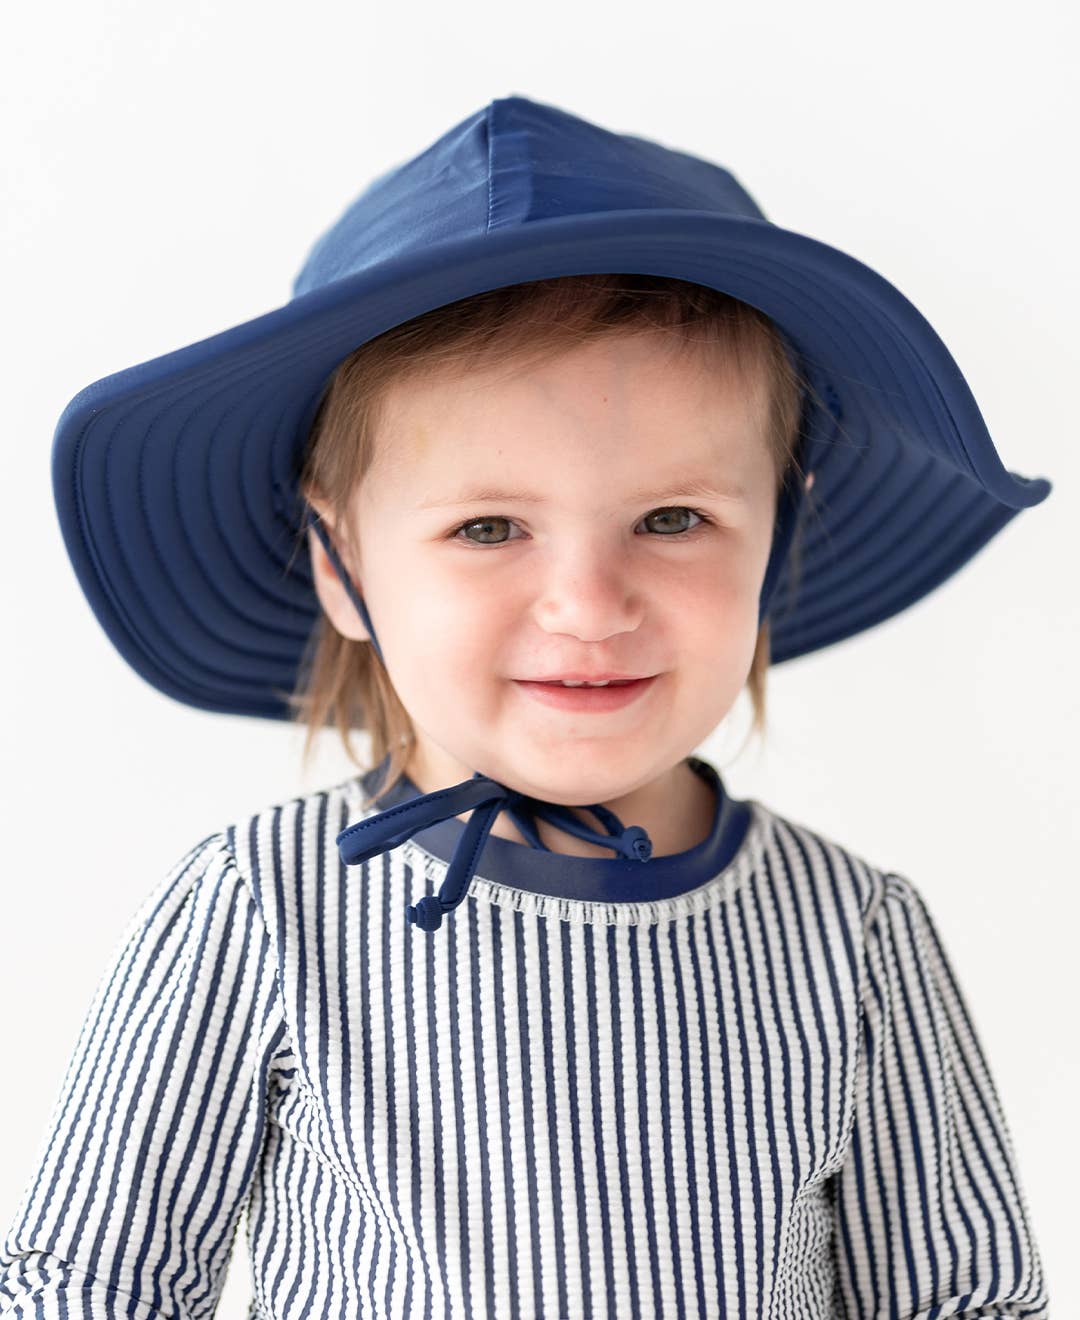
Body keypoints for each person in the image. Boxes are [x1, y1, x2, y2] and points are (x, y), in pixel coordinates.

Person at [1, 95, 1051, 1317]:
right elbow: (84, 1282)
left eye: (673, 519)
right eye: (490, 526)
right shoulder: (268, 909)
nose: (589, 607)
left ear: (778, 531)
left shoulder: (852, 936)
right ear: (341, 565)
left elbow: (965, 1296)